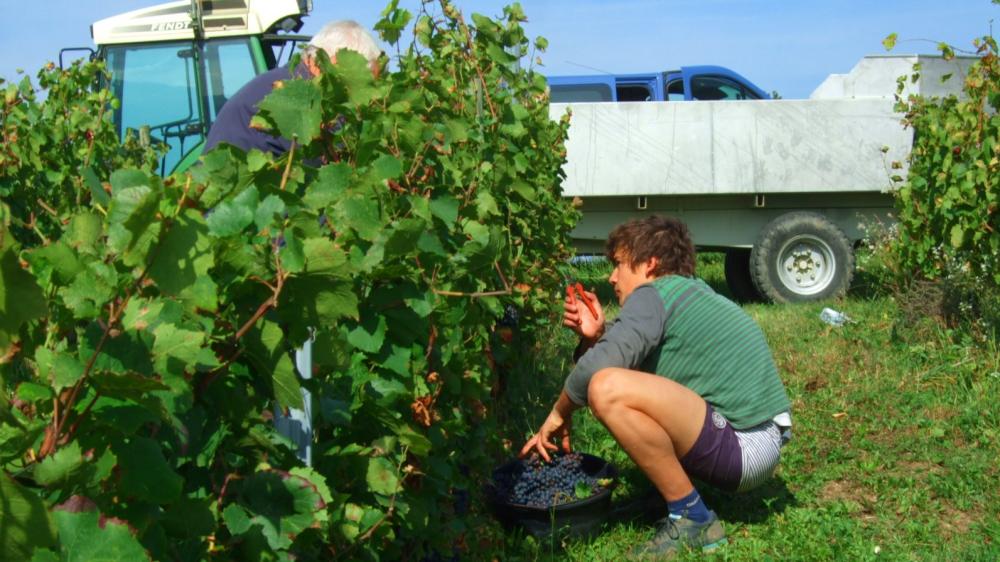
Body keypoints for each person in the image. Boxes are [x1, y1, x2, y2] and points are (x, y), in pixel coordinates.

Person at [520, 215, 792, 558]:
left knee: (606, 388)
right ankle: (668, 495)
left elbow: (605, 376)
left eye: (618, 264)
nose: (611, 276)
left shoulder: (653, 295)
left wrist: (559, 413)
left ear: (650, 264)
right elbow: (635, 375)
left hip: (744, 448)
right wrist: (597, 339)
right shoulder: (687, 293)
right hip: (755, 443)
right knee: (609, 383)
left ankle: (693, 517)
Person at [203, 21, 380, 466]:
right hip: (251, 249)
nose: (363, 98)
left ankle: (282, 459)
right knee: (279, 368)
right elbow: (313, 206)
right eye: (361, 82)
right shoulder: (291, 98)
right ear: (333, 64)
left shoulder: (305, 95)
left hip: (262, 241)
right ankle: (285, 472)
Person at [203, 19, 381, 155]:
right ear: (338, 64)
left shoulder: (288, 83)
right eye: (364, 84)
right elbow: (321, 169)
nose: (366, 97)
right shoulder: (296, 99)